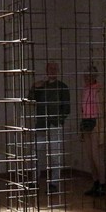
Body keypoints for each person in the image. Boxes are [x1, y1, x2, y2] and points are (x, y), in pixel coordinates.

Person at [27, 62, 70, 194]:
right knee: (35, 153)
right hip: (41, 124)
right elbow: (30, 99)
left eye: (54, 68)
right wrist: (34, 87)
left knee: (55, 155)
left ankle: (54, 183)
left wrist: (58, 121)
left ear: (58, 70)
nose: (52, 70)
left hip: (54, 125)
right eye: (50, 68)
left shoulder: (62, 87)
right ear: (46, 70)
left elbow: (66, 108)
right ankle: (34, 180)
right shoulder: (41, 86)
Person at [80, 65, 106, 196]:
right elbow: (82, 108)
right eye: (85, 75)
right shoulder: (85, 89)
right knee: (90, 156)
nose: (87, 77)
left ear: (94, 76)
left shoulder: (99, 89)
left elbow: (104, 110)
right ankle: (95, 183)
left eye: (89, 75)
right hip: (86, 122)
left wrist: (102, 130)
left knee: (97, 157)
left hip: (96, 122)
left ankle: (103, 184)